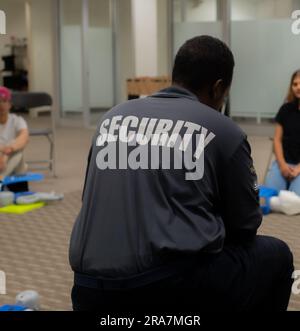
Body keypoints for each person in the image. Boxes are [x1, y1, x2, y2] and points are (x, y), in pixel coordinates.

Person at [69, 36, 294, 311]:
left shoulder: (111, 118)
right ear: (218, 88)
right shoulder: (223, 130)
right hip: (163, 291)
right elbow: (245, 226)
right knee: (277, 256)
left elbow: (93, 198)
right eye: (224, 95)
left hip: (87, 291)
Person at [265, 70, 300, 196]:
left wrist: (298, 169)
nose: (298, 87)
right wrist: (282, 165)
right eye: (295, 84)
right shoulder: (285, 109)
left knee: (295, 200)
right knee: (272, 195)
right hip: (284, 162)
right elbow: (277, 139)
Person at [0, 86, 29, 180]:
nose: (1, 105)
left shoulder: (17, 120)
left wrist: (7, 152)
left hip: (14, 164)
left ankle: (1, 177)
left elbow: (24, 137)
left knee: (18, 150)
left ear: (10, 104)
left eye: (4, 101)